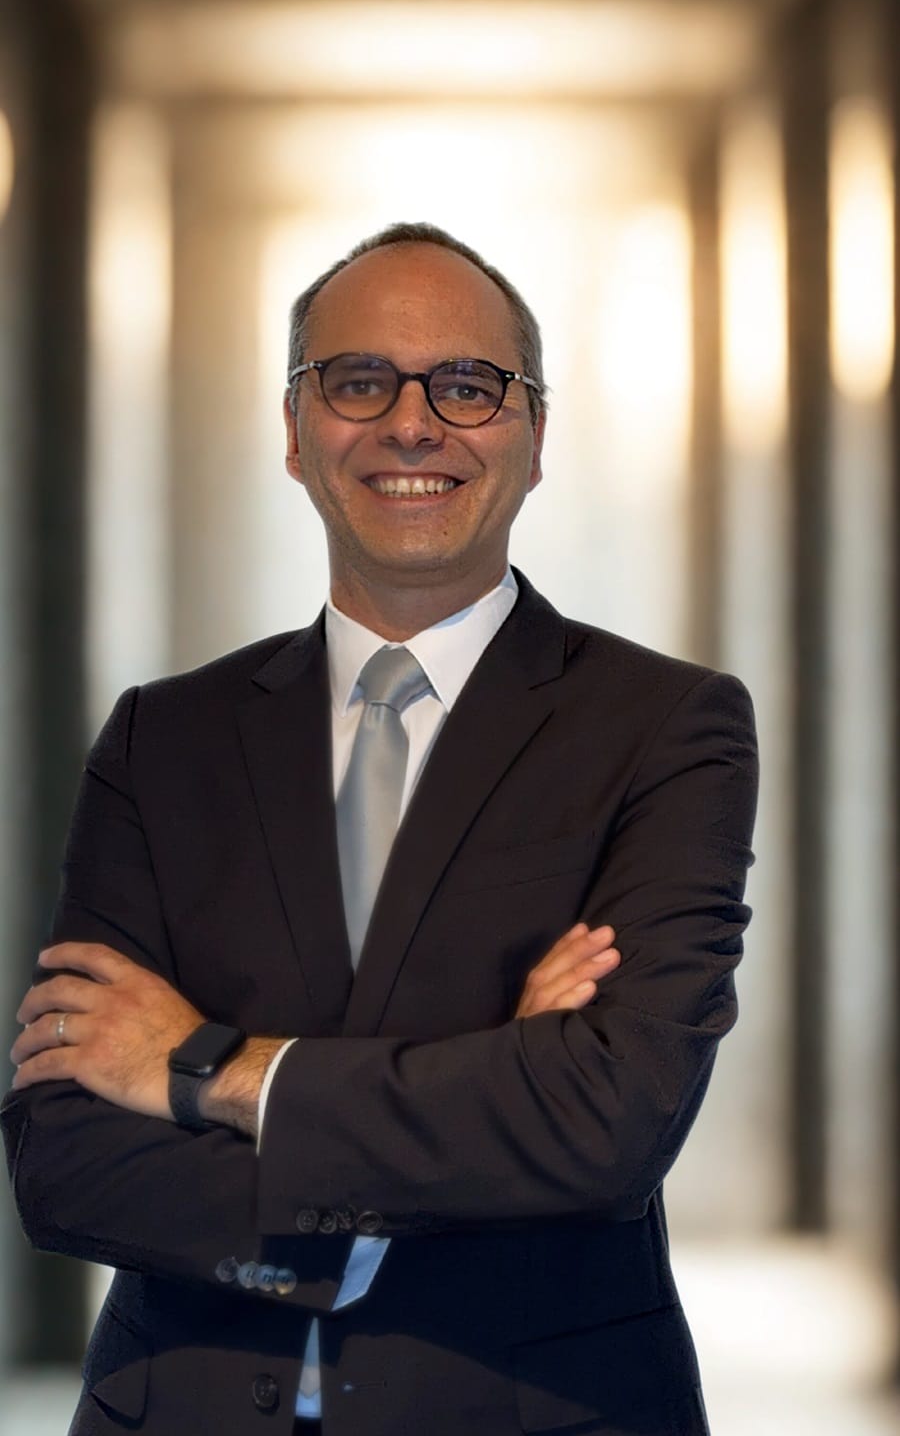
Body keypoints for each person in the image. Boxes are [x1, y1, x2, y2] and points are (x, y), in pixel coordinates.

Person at [3, 222, 758, 1436]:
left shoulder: (667, 727)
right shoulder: (162, 738)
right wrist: (479, 1095)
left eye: (468, 385)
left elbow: (606, 1123)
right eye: (359, 381)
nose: (413, 425)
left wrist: (209, 1067)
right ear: (295, 432)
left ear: (536, 437)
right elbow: (63, 1150)